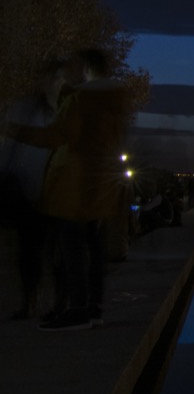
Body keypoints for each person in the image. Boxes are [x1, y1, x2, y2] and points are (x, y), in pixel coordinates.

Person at [5, 49, 131, 331]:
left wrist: (14, 130)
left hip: (75, 185)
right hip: (98, 185)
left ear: (86, 68)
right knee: (93, 248)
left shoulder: (82, 100)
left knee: (71, 249)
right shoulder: (114, 101)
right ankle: (93, 308)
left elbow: (57, 136)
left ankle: (77, 310)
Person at [1, 59, 65, 319]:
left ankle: (55, 302)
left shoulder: (66, 110)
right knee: (29, 251)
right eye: (55, 78)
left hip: (54, 190)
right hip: (26, 189)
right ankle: (32, 301)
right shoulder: (26, 108)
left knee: (55, 252)